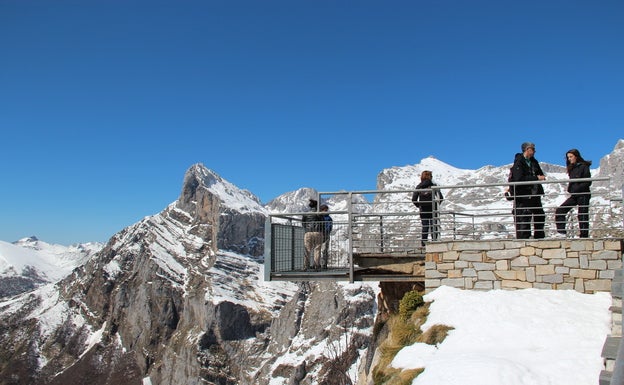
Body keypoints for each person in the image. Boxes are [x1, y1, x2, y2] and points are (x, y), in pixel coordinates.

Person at [509, 142, 546, 239]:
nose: (534, 151)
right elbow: (519, 179)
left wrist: (539, 178)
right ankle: (524, 239)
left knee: (540, 215)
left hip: (534, 193)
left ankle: (539, 237)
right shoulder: (519, 162)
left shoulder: (534, 162)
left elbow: (540, 174)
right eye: (533, 149)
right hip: (523, 194)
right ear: (527, 149)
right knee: (524, 216)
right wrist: (536, 178)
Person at [555, 149, 592, 238]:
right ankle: (561, 232)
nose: (569, 159)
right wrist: (571, 189)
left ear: (576, 156)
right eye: (568, 157)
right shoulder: (572, 168)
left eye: (571, 157)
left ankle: (584, 236)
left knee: (582, 214)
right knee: (560, 210)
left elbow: (588, 181)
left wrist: (578, 188)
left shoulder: (584, 166)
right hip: (575, 195)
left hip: (583, 194)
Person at [412, 170, 444, 247]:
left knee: (425, 227)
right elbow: (441, 198)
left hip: (423, 211)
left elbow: (414, 199)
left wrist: (419, 205)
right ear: (430, 177)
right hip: (433, 210)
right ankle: (435, 243)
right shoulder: (434, 186)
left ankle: (423, 245)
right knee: (434, 227)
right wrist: (436, 205)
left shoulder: (419, 187)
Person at [301, 199, 324, 270]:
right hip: (317, 232)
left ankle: (305, 266)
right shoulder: (318, 213)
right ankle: (316, 266)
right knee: (317, 249)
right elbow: (322, 222)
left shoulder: (306, 214)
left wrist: (307, 229)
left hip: (308, 232)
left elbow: (303, 223)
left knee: (307, 250)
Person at [319, 204, 333, 270]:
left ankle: (320, 264)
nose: (326, 211)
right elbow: (330, 227)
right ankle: (323, 265)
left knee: (320, 250)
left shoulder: (319, 217)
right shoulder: (329, 218)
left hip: (321, 234)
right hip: (325, 234)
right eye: (325, 210)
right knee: (324, 250)